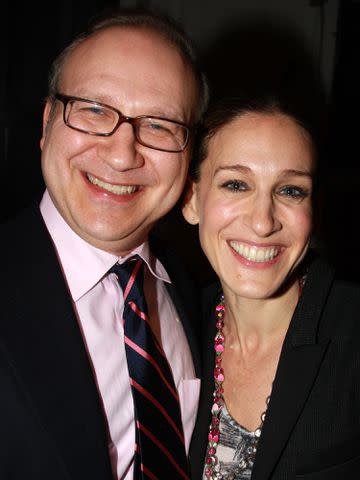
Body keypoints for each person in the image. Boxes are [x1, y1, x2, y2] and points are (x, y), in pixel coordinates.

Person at [0, 8, 208, 480]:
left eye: (159, 125)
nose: (121, 153)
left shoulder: (195, 289)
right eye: (94, 110)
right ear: (48, 121)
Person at [183, 94, 360, 479]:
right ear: (192, 199)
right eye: (236, 184)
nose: (263, 222)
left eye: (291, 190)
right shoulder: (171, 328)